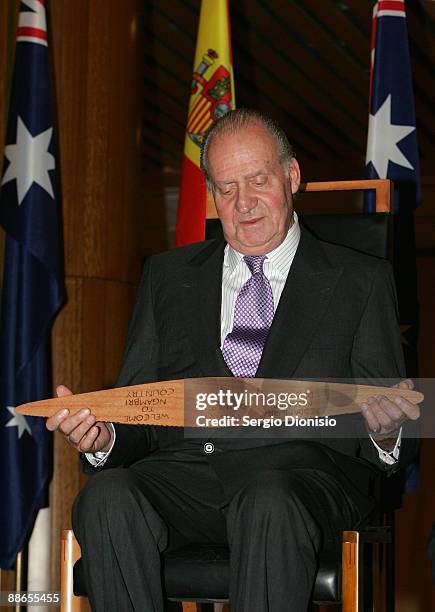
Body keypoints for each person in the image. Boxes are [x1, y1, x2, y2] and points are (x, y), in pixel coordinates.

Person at [47, 109, 420, 612]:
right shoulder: (167, 278)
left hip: (302, 480)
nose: (243, 202)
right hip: (188, 477)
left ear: (291, 177)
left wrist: (387, 429)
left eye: (258, 180)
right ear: (211, 195)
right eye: (226, 188)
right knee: (106, 495)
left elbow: (389, 438)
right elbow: (142, 413)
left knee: (268, 497)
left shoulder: (361, 280)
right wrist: (105, 435)